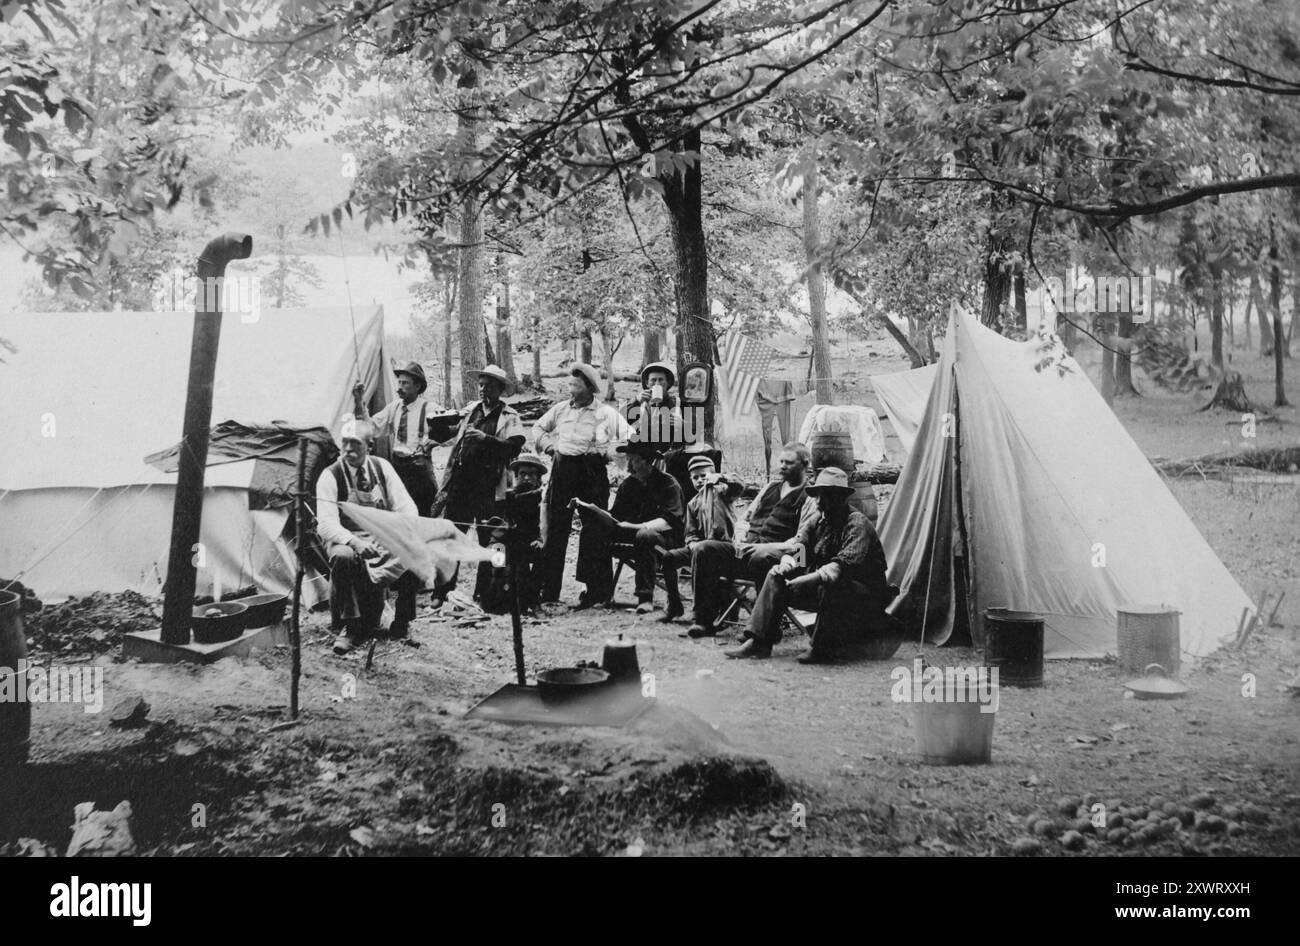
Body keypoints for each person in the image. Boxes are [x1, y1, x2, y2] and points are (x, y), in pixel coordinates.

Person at [724, 467, 894, 663]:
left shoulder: (857, 524)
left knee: (833, 585)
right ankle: (759, 642)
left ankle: (821, 648)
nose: (820, 501)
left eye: (827, 496)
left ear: (841, 498)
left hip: (865, 596)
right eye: (818, 496)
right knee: (775, 575)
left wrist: (804, 580)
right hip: (825, 588)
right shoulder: (817, 521)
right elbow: (800, 551)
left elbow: (841, 567)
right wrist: (785, 566)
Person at [682, 442, 817, 638]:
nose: (782, 466)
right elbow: (745, 518)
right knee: (704, 549)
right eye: (781, 461)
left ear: (805, 464)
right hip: (750, 552)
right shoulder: (771, 487)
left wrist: (766, 547)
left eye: (789, 463)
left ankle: (764, 629)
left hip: (791, 559)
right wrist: (740, 536)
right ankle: (703, 621)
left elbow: (801, 543)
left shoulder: (810, 496)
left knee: (761, 556)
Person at [316, 418, 423, 654]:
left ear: (369, 446)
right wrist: (355, 542)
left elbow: (407, 508)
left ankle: (401, 623)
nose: (348, 450)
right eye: (344, 443)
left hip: (380, 535)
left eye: (355, 444)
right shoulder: (330, 475)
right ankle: (351, 626)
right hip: (345, 537)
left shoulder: (382, 467)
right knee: (343, 556)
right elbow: (325, 525)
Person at [431, 365, 525, 602]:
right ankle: (441, 592)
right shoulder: (471, 411)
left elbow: (514, 448)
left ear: (500, 390)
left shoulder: (510, 416)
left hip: (490, 488)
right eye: (481, 385)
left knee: (490, 540)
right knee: (452, 537)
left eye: (489, 386)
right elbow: (449, 436)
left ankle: (488, 593)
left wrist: (486, 440)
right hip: (462, 485)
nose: (483, 390)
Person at [533, 363, 623, 607]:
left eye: (575, 383)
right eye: (570, 382)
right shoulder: (561, 409)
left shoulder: (605, 413)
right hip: (562, 472)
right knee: (555, 529)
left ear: (589, 387)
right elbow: (538, 427)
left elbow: (625, 439)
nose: (570, 387)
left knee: (594, 528)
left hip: (592, 474)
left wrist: (603, 451)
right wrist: (550, 447)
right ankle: (548, 590)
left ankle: (596, 591)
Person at [576, 440, 685, 615]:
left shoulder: (668, 483)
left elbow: (670, 520)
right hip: (631, 537)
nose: (629, 464)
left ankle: (645, 598)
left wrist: (637, 526)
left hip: (665, 543)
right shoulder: (629, 485)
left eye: (633, 460)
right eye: (628, 459)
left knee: (646, 535)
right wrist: (597, 515)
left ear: (647, 461)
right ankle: (596, 591)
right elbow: (616, 517)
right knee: (591, 530)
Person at [657, 454, 742, 623]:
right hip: (700, 548)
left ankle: (702, 613)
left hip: (725, 546)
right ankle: (674, 604)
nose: (700, 480)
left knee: (704, 554)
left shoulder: (723, 492)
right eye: (695, 478)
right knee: (669, 557)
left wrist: (721, 479)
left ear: (713, 474)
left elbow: (739, 485)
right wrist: (692, 543)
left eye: (704, 476)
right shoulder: (693, 504)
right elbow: (690, 532)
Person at [353, 363, 439, 516]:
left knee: (423, 516)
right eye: (399, 382)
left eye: (405, 383)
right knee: (399, 513)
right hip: (399, 470)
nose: (399, 387)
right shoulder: (394, 407)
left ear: (418, 386)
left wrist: (431, 443)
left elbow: (450, 431)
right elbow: (371, 427)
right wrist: (359, 402)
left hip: (420, 473)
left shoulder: (430, 408)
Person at [475, 454, 549, 614]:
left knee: (540, 555)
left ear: (538, 478)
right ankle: (488, 599)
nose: (527, 478)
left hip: (530, 543)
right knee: (493, 554)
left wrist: (540, 539)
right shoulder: (510, 496)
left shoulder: (543, 499)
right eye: (522, 474)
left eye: (531, 474)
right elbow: (506, 517)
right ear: (516, 476)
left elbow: (545, 525)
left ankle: (534, 602)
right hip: (507, 541)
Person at [625, 360, 682, 448]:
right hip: (645, 454)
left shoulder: (677, 403)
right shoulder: (641, 403)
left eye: (661, 380)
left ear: (667, 383)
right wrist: (636, 401)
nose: (657, 384)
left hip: (669, 454)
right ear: (647, 383)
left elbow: (696, 431)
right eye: (653, 380)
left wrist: (683, 425)